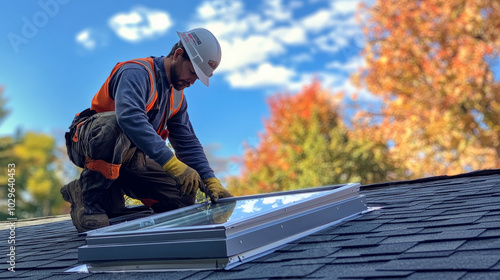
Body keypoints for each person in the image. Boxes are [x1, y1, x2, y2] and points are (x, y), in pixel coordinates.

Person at [61, 28, 233, 233]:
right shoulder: (137, 72)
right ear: (178, 55)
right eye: (193, 71)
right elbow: (129, 117)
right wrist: (172, 164)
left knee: (184, 195)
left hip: (131, 156)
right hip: (90, 141)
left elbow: (188, 143)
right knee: (118, 125)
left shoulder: (177, 98)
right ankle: (88, 198)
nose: (193, 81)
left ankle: (109, 194)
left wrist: (209, 179)